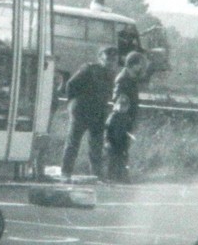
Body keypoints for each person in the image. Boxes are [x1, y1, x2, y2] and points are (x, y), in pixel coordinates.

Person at [60, 46, 118, 181]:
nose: (110, 62)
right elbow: (71, 85)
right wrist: (73, 104)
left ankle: (96, 176)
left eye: (113, 60)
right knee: (73, 143)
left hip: (98, 113)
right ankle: (65, 173)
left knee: (96, 147)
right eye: (107, 59)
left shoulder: (112, 75)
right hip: (81, 112)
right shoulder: (89, 69)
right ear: (100, 58)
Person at [105, 51, 148, 184]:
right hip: (120, 119)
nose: (141, 67)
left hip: (125, 119)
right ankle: (116, 176)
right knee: (118, 148)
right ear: (133, 64)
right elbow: (118, 97)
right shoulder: (124, 78)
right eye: (139, 64)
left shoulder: (129, 78)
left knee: (121, 148)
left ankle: (118, 176)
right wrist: (124, 107)